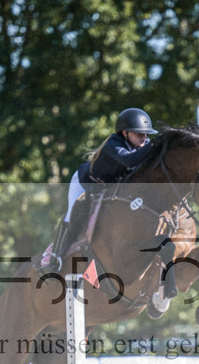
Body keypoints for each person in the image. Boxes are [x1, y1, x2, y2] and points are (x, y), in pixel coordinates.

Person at [38, 108, 158, 273]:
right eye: (139, 134)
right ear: (125, 133)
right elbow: (130, 161)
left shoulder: (140, 148)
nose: (144, 138)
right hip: (84, 183)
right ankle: (55, 257)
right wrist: (155, 144)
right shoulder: (113, 143)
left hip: (106, 189)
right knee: (71, 216)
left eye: (147, 135)